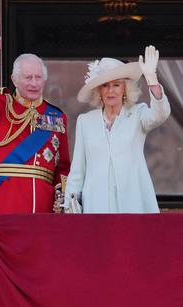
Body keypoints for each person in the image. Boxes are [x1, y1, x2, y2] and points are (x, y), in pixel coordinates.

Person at [0, 26, 70, 214]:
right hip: (3, 202)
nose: (33, 83)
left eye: (38, 77)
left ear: (44, 81)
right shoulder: (1, 106)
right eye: (28, 77)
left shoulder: (57, 117)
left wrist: (61, 198)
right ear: (15, 80)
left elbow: (63, 166)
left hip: (43, 205)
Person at [63, 46, 171, 213]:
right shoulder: (85, 122)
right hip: (96, 206)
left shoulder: (137, 114)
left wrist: (152, 79)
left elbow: (160, 114)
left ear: (125, 89)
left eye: (116, 85)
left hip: (132, 203)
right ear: (99, 91)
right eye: (105, 86)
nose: (111, 91)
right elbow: (78, 170)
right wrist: (71, 205)